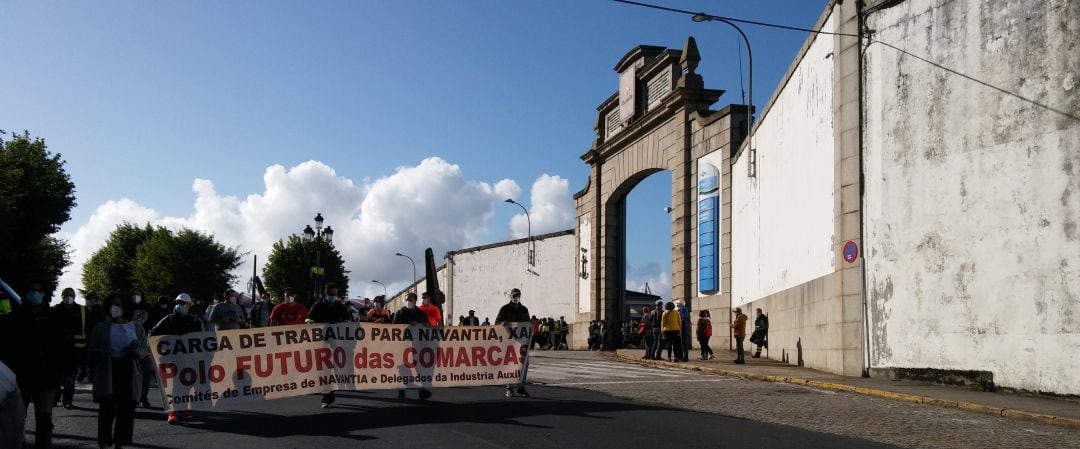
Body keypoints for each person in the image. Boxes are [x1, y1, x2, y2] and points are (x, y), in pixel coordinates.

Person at [0, 283, 70, 448]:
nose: (35, 294)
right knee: (16, 420)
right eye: (32, 290)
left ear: (45, 294)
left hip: (47, 377)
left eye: (39, 290)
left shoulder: (54, 318)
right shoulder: (13, 318)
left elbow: (64, 348)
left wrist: (66, 373)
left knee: (44, 421)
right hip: (19, 378)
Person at [88, 292, 149, 449]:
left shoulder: (136, 328)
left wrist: (135, 351)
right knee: (107, 410)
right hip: (108, 372)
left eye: (118, 304)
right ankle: (104, 440)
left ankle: (120, 443)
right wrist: (100, 353)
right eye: (112, 305)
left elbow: (143, 351)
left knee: (126, 410)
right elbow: (91, 350)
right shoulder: (101, 328)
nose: (115, 308)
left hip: (129, 371)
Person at [150, 293, 202, 424]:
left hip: (190, 358)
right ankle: (173, 411)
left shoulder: (196, 321)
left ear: (190, 305)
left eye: (183, 303)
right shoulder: (169, 319)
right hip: (173, 358)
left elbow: (203, 338)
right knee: (175, 384)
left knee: (187, 384)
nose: (180, 305)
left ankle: (183, 408)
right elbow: (153, 333)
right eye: (178, 303)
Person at [307, 283, 350, 408]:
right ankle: (327, 397)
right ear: (325, 293)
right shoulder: (318, 306)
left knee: (335, 369)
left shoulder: (340, 307)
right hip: (322, 343)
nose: (333, 296)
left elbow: (348, 322)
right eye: (331, 294)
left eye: (335, 294)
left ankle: (331, 393)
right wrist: (320, 326)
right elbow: (309, 321)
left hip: (337, 343)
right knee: (325, 370)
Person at [393, 293, 432, 400]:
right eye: (407, 299)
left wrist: (424, 325)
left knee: (416, 369)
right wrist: (409, 325)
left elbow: (429, 326)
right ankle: (402, 391)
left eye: (410, 299)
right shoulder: (400, 313)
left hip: (417, 347)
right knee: (402, 369)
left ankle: (421, 391)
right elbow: (394, 329)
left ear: (415, 301)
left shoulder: (421, 314)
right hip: (402, 345)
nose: (408, 301)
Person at [53, 287, 85, 409]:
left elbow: (86, 329)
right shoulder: (55, 309)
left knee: (70, 379)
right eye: (66, 294)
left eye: (71, 294)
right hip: (58, 350)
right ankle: (54, 399)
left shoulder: (81, 310)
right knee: (57, 377)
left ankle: (67, 401)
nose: (69, 297)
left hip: (74, 350)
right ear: (62, 296)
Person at [495, 288, 531, 398]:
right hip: (509, 342)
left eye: (518, 295)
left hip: (521, 342)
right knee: (510, 364)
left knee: (524, 363)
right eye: (514, 295)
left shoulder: (524, 309)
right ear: (510, 296)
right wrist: (502, 323)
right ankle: (509, 388)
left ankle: (521, 386)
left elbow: (527, 323)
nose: (516, 297)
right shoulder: (505, 309)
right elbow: (496, 322)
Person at [128, 288, 156, 409]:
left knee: (147, 370)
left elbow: (154, 324)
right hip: (128, 344)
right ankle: (130, 397)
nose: (136, 296)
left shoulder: (148, 308)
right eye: (133, 294)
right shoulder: (126, 308)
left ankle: (143, 396)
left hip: (144, 344)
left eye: (138, 294)